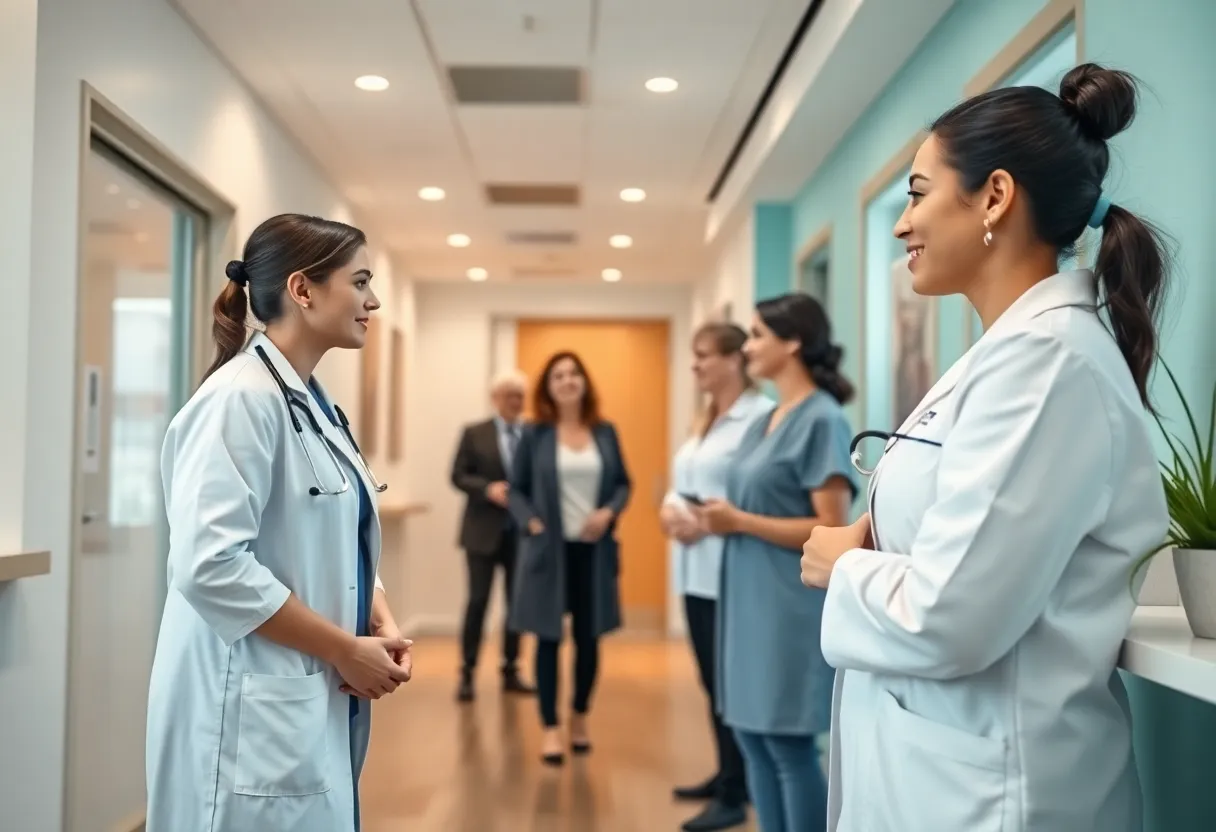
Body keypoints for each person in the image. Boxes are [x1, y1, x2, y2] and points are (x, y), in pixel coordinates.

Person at [802, 64, 1172, 832]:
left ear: (995, 196)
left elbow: (951, 615)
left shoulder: (1048, 365)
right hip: (948, 765)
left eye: (915, 194)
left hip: (998, 791)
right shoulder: (1013, 356)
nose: (902, 226)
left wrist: (847, 565)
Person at [145, 214, 413, 832]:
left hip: (296, 690)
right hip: (244, 705)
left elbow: (328, 532)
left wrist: (376, 615)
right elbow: (210, 565)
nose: (373, 301)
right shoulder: (240, 399)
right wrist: (345, 649)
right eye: (361, 281)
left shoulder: (311, 404)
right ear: (303, 289)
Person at [697, 293, 858, 832]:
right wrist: (711, 520)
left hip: (787, 607)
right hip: (745, 598)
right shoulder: (763, 419)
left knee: (786, 746)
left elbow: (831, 532)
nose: (748, 347)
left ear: (792, 344)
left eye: (759, 334)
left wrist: (740, 522)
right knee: (751, 740)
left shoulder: (821, 419)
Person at [662, 323, 773, 832]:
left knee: (732, 685)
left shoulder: (762, 416)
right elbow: (684, 483)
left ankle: (736, 790)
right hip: (695, 573)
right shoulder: (706, 417)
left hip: (733, 571)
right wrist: (670, 512)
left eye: (703, 355)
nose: (695, 365)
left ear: (734, 360)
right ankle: (727, 772)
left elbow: (755, 494)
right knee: (712, 682)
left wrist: (701, 522)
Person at [507, 351, 632, 765]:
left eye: (574, 373)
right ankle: (550, 728)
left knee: (589, 637)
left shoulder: (606, 431)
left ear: (584, 382)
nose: (567, 380)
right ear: (549, 387)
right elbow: (517, 490)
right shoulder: (535, 433)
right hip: (549, 551)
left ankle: (579, 717)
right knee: (548, 637)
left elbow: (622, 484)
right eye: (558, 375)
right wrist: (533, 524)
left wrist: (609, 512)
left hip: (593, 552)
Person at [449, 369, 536, 700]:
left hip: (521, 534)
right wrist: (488, 489)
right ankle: (467, 672)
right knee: (478, 602)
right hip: (481, 533)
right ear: (496, 398)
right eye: (510, 395)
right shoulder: (475, 433)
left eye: (520, 396)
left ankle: (511, 670)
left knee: (517, 605)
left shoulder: (533, 434)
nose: (516, 402)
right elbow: (457, 476)